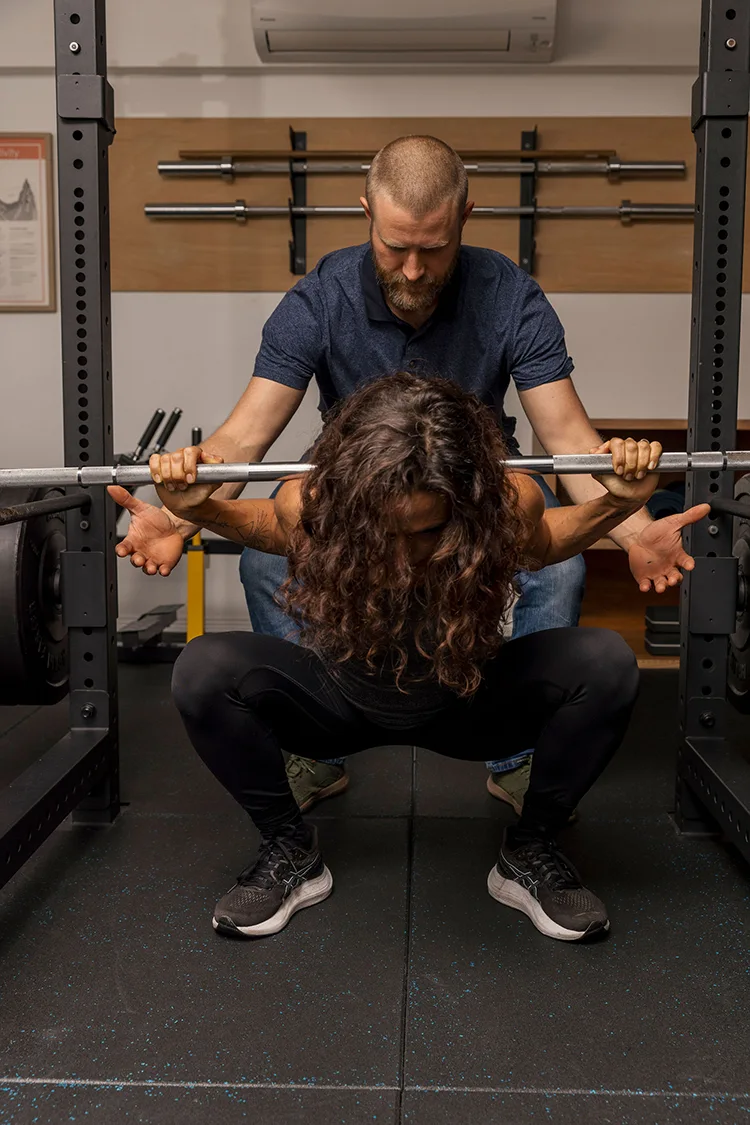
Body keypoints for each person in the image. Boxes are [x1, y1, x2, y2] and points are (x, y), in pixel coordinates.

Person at [115, 135, 694, 817]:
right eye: (395, 247)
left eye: (434, 248)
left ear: (465, 218)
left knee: (558, 570)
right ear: (366, 213)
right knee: (266, 564)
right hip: (360, 507)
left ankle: (514, 760)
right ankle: (317, 750)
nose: (415, 270)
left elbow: (568, 442)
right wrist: (179, 518)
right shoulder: (318, 298)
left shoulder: (510, 295)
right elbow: (244, 437)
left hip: (473, 499)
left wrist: (635, 533)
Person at [111, 373, 707, 942]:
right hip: (338, 702)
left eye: (427, 532)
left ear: (466, 503)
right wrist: (190, 513)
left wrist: (616, 509)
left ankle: (531, 851)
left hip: (467, 700)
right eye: (385, 533)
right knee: (203, 667)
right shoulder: (314, 502)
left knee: (604, 660)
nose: (403, 556)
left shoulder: (505, 502)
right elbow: (264, 521)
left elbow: (548, 542)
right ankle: (288, 850)